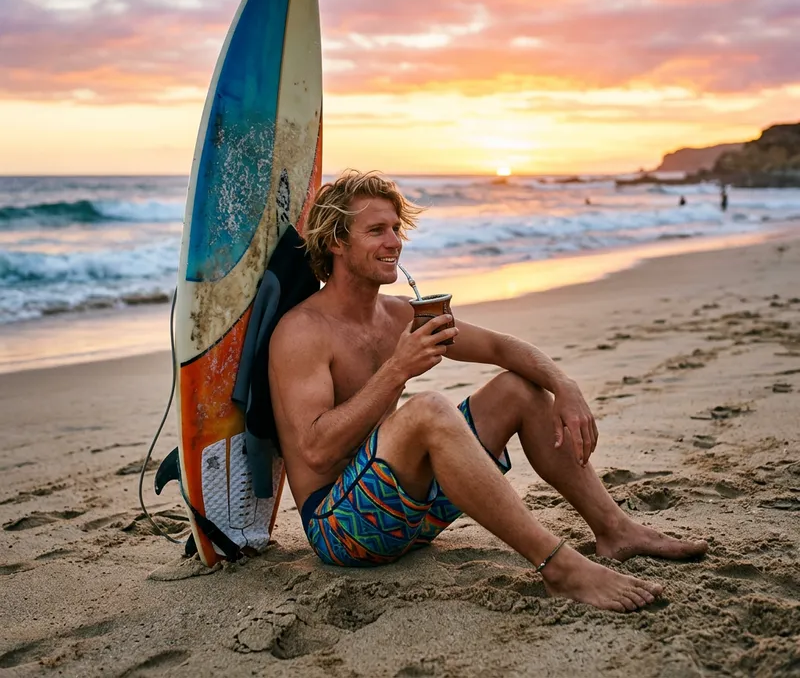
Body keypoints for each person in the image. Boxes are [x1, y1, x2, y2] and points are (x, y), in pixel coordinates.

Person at [268, 170, 707, 613]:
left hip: (411, 516)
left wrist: (564, 386)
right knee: (429, 409)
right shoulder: (303, 331)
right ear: (337, 243)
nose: (394, 242)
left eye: (396, 229)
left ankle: (615, 530)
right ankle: (557, 565)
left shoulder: (400, 314)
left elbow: (500, 347)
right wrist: (397, 370)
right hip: (343, 530)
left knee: (519, 389)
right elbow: (316, 451)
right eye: (377, 230)